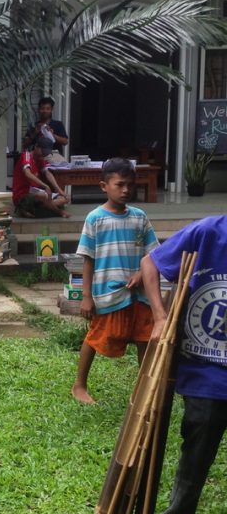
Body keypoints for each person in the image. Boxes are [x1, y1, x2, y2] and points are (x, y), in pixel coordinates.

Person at [140, 215, 227, 514]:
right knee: (199, 443)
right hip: (206, 370)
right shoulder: (208, 233)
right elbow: (150, 263)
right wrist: (160, 317)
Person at [73, 158, 159, 404]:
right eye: (120, 184)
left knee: (145, 338)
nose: (126, 190)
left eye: (130, 185)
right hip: (108, 294)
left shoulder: (140, 217)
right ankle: (79, 385)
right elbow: (88, 259)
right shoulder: (95, 219)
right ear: (104, 186)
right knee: (96, 337)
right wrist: (86, 296)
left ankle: (144, 389)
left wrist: (142, 274)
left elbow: (154, 253)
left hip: (139, 294)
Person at [13, 136, 70, 218]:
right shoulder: (27, 155)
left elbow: (47, 173)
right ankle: (58, 211)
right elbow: (27, 174)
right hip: (23, 195)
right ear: (36, 146)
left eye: (45, 153)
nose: (43, 155)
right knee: (42, 196)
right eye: (42, 151)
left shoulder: (41, 159)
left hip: (37, 194)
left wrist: (59, 190)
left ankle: (41, 207)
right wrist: (45, 186)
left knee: (65, 199)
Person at [27, 96, 70, 164]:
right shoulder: (34, 125)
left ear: (51, 110)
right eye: (42, 108)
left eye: (48, 109)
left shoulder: (57, 124)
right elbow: (25, 144)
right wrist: (35, 133)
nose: (45, 111)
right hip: (37, 160)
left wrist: (53, 135)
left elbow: (65, 142)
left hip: (54, 159)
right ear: (39, 110)